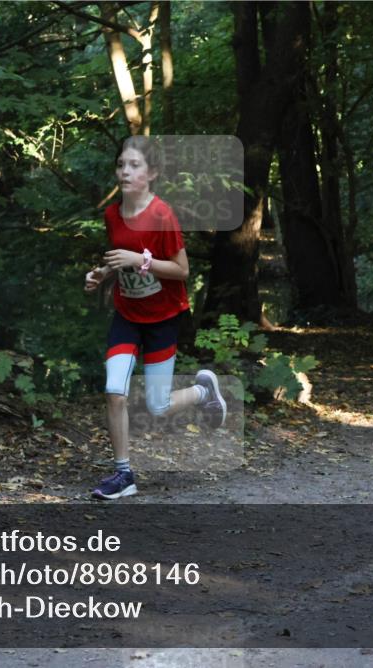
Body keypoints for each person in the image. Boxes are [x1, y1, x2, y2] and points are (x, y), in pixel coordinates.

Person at [83, 135, 226, 500]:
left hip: (163, 317)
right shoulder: (112, 214)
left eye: (134, 166)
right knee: (115, 390)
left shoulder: (162, 214)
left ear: (152, 173)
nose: (125, 172)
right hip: (127, 315)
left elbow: (181, 271)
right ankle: (123, 474)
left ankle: (203, 390)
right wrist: (101, 275)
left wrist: (140, 261)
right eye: (120, 165)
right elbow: (117, 259)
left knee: (157, 405)